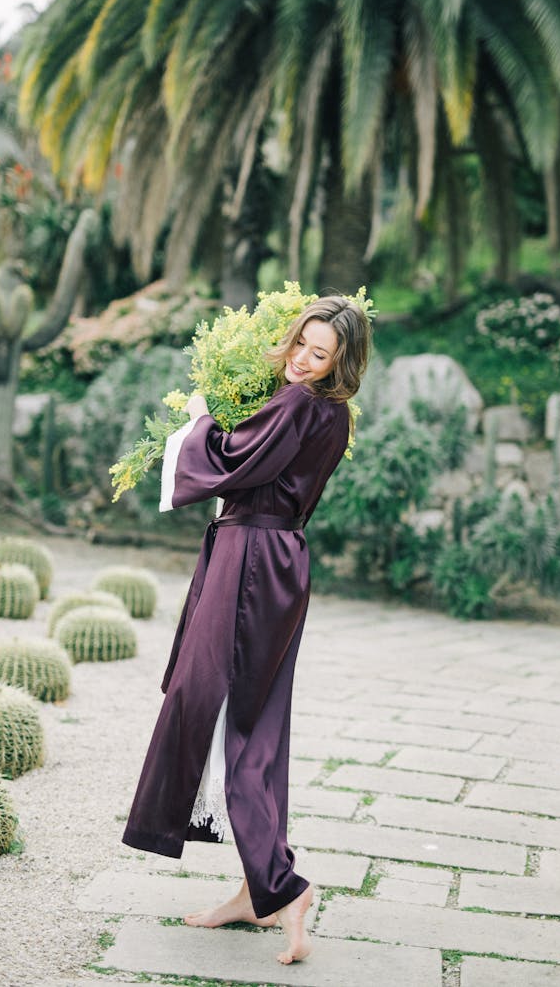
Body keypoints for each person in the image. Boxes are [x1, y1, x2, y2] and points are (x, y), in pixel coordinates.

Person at [122, 294, 371, 965]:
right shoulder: (333, 415)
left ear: (341, 363)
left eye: (320, 355)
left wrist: (202, 417)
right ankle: (260, 892)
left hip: (250, 562)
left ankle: (283, 888)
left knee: (215, 708)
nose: (301, 360)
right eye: (299, 345)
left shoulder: (296, 404)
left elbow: (234, 460)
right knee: (257, 719)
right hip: (281, 561)